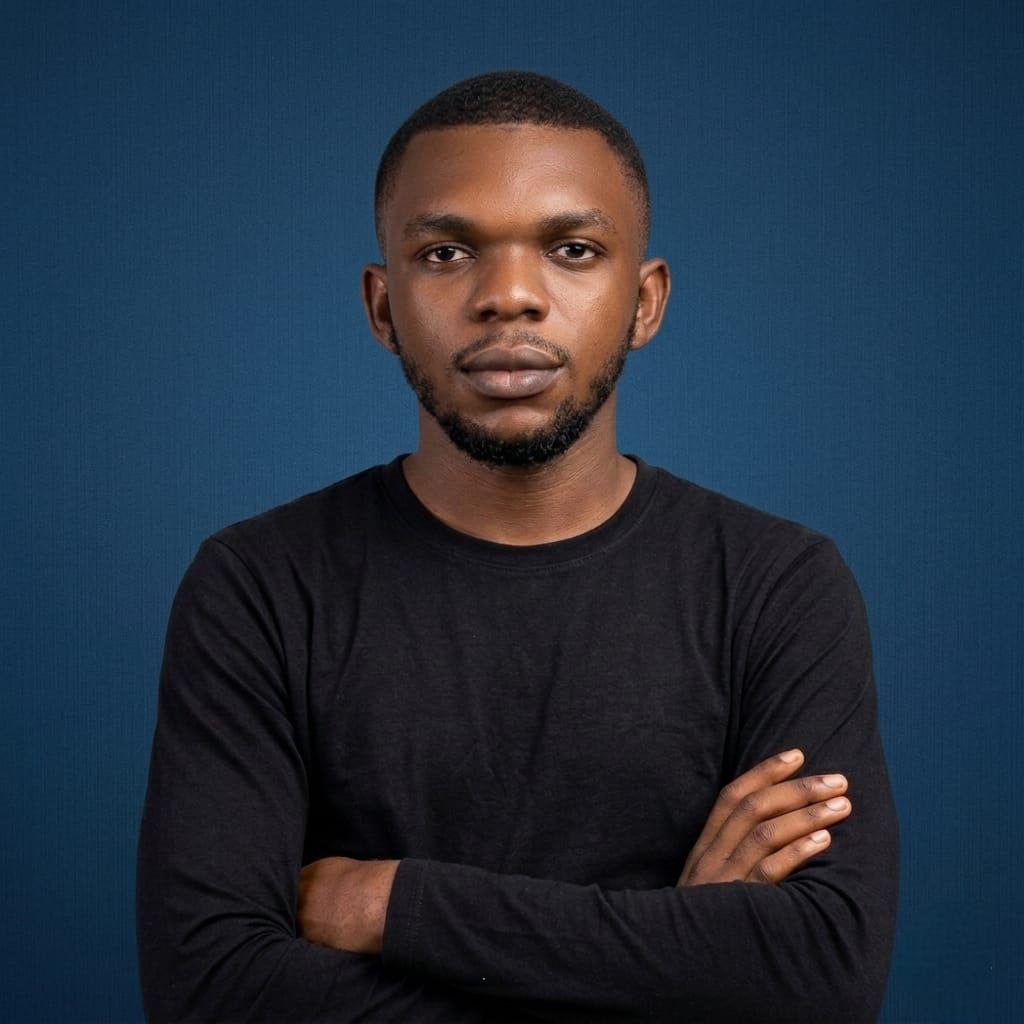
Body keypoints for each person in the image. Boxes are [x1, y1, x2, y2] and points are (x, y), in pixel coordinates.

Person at [137, 71, 898, 1023]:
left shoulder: (776, 586)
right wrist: (675, 962)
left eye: (572, 249)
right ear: (382, 307)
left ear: (645, 301)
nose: (509, 297)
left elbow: (826, 978)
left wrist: (394, 904)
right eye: (447, 253)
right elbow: (211, 993)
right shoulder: (259, 587)